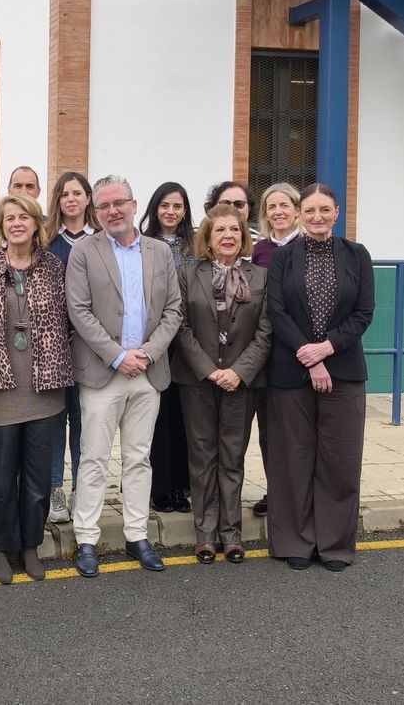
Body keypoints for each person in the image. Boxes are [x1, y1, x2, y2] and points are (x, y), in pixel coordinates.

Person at [64, 175, 184, 578]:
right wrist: (117, 356)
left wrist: (147, 354)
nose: (113, 211)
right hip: (102, 372)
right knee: (93, 459)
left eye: (119, 203)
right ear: (95, 212)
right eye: (104, 206)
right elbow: (78, 311)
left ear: (134, 205)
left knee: (138, 458)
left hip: (148, 373)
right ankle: (86, 538)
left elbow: (173, 310)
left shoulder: (158, 252)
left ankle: (137, 534)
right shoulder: (84, 251)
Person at [0, 194, 72, 584]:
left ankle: (29, 545)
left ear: (36, 222)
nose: (16, 223)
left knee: (38, 479)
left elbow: (72, 321)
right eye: (9, 218)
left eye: (24, 216)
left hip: (44, 390)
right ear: (0, 226)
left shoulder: (56, 268)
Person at [265, 183, 375, 572]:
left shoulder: (356, 255)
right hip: (291, 371)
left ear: (336, 213)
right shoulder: (283, 258)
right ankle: (295, 540)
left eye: (324, 210)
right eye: (309, 210)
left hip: (344, 371)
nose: (316, 217)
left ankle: (334, 545)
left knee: (339, 460)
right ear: (298, 214)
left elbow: (363, 313)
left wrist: (326, 350)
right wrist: (310, 359)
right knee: (292, 458)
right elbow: (277, 313)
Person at [171, 204, 271, 564]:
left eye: (234, 230)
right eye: (220, 231)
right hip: (197, 379)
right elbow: (179, 326)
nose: (228, 236)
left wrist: (239, 371)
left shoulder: (259, 276)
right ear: (208, 239)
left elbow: (265, 331)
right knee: (202, 457)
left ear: (243, 236)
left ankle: (232, 535)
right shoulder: (187, 274)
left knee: (232, 456)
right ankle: (205, 535)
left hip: (241, 381)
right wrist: (209, 369)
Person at [44, 170, 97, 524]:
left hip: (91, 347)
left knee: (84, 420)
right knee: (53, 420)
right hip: (54, 346)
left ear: (88, 198)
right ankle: (54, 490)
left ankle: (82, 488)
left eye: (77, 193)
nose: (71, 200)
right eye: (64, 194)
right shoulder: (48, 241)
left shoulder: (101, 240)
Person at [140, 181, 195, 516]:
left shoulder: (196, 246)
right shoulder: (143, 244)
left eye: (177, 206)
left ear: (185, 211)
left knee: (183, 417)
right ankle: (159, 488)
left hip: (188, 340)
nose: (171, 212)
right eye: (164, 205)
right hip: (156, 340)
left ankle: (181, 487)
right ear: (154, 208)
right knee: (157, 419)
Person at [248, 181, 302, 518]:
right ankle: (275, 488)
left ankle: (297, 489)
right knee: (268, 427)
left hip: (298, 350)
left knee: (294, 427)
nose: (278, 212)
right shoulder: (260, 251)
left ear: (297, 210)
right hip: (267, 349)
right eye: (272, 207)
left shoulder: (308, 246)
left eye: (285, 205)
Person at [0, 166, 41, 250]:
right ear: (9, 190)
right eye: (18, 186)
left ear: (38, 192)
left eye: (29, 187)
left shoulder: (50, 227)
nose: (23, 192)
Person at [205, 180, 261, 246]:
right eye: (225, 203)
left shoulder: (260, 243)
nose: (232, 209)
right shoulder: (197, 239)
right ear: (213, 207)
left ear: (249, 209)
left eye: (239, 204)